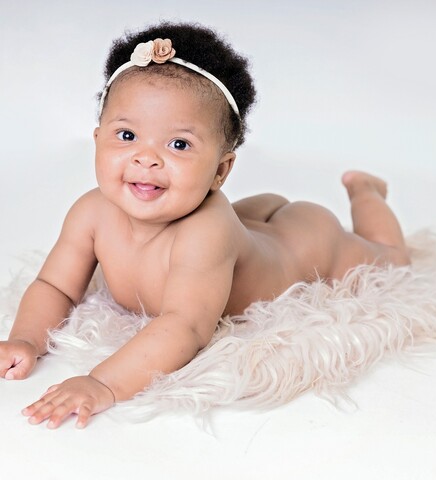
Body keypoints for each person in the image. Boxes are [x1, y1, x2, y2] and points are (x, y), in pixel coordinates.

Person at [0, 22, 410, 429]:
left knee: (392, 260)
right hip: (248, 229)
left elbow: (184, 325)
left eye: (178, 144)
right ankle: (261, 212)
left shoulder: (204, 232)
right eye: (126, 135)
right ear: (96, 141)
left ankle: (365, 191)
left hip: (301, 244)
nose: (146, 158)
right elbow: (54, 285)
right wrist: (26, 340)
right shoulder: (90, 211)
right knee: (244, 229)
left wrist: (103, 382)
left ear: (220, 170)